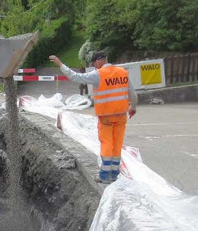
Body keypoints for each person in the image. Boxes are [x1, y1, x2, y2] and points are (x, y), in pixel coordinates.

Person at [49, 51, 137, 183]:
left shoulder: (98, 74)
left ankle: (105, 176)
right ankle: (114, 174)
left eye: (94, 63)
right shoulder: (122, 72)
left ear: (99, 61)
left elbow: (76, 77)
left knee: (107, 143)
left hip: (106, 116)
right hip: (121, 115)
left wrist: (60, 64)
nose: (94, 66)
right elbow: (132, 93)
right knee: (117, 144)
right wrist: (133, 107)